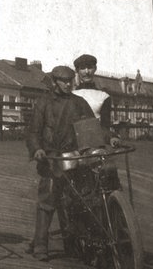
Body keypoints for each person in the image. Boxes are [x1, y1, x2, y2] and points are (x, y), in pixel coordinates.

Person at [25, 66, 96, 261]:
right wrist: (37, 149)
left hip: (74, 157)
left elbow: (91, 127)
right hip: (51, 157)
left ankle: (76, 242)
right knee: (47, 199)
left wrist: (106, 139)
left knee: (79, 199)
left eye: (70, 81)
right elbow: (33, 131)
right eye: (64, 81)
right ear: (55, 82)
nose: (68, 84)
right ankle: (40, 244)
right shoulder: (43, 103)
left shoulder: (79, 103)